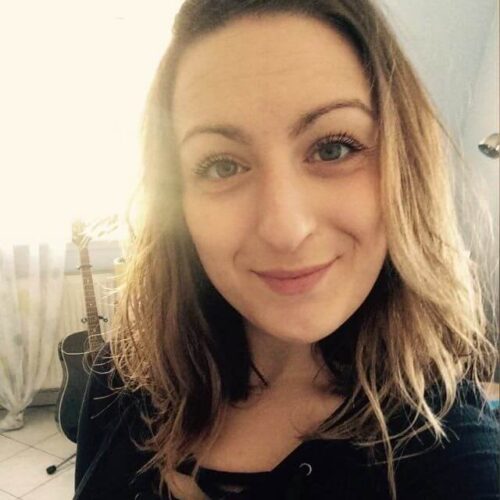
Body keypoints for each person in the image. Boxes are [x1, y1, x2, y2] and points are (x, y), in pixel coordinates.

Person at [74, 0, 500, 499]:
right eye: (222, 165)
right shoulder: (123, 378)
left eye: (333, 148)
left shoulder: (458, 464)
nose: (285, 230)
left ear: (405, 168)